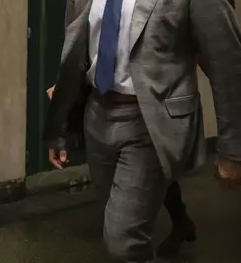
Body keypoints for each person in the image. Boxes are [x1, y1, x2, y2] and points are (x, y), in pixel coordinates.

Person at [44, 0, 241, 261]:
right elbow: (76, 60)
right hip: (98, 117)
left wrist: (233, 148)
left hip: (151, 124)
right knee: (117, 229)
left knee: (122, 242)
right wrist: (61, 127)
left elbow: (227, 66)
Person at [46, 85, 195, 258]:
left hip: (148, 108)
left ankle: (179, 221)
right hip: (101, 108)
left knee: (125, 231)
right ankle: (180, 220)